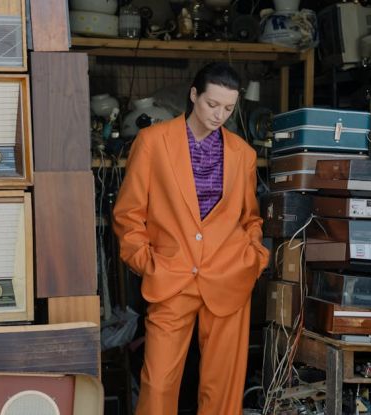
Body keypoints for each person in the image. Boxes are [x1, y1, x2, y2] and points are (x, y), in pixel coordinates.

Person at [113, 62, 269, 415]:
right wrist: (147, 263)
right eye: (212, 104)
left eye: (228, 109)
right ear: (194, 95)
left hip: (229, 277)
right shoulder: (152, 142)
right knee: (157, 384)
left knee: (223, 388)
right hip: (170, 277)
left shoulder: (243, 153)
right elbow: (128, 214)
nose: (219, 115)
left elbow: (251, 218)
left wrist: (253, 257)